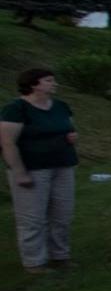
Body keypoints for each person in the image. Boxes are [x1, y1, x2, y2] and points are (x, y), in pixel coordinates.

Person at [2, 69, 78, 272]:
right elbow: (7, 142)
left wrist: (72, 137)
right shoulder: (16, 109)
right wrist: (19, 172)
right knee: (33, 217)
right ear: (34, 84)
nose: (54, 84)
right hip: (33, 168)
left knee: (62, 214)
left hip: (63, 165)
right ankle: (35, 262)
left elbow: (69, 129)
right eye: (49, 80)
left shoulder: (60, 106)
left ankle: (60, 256)